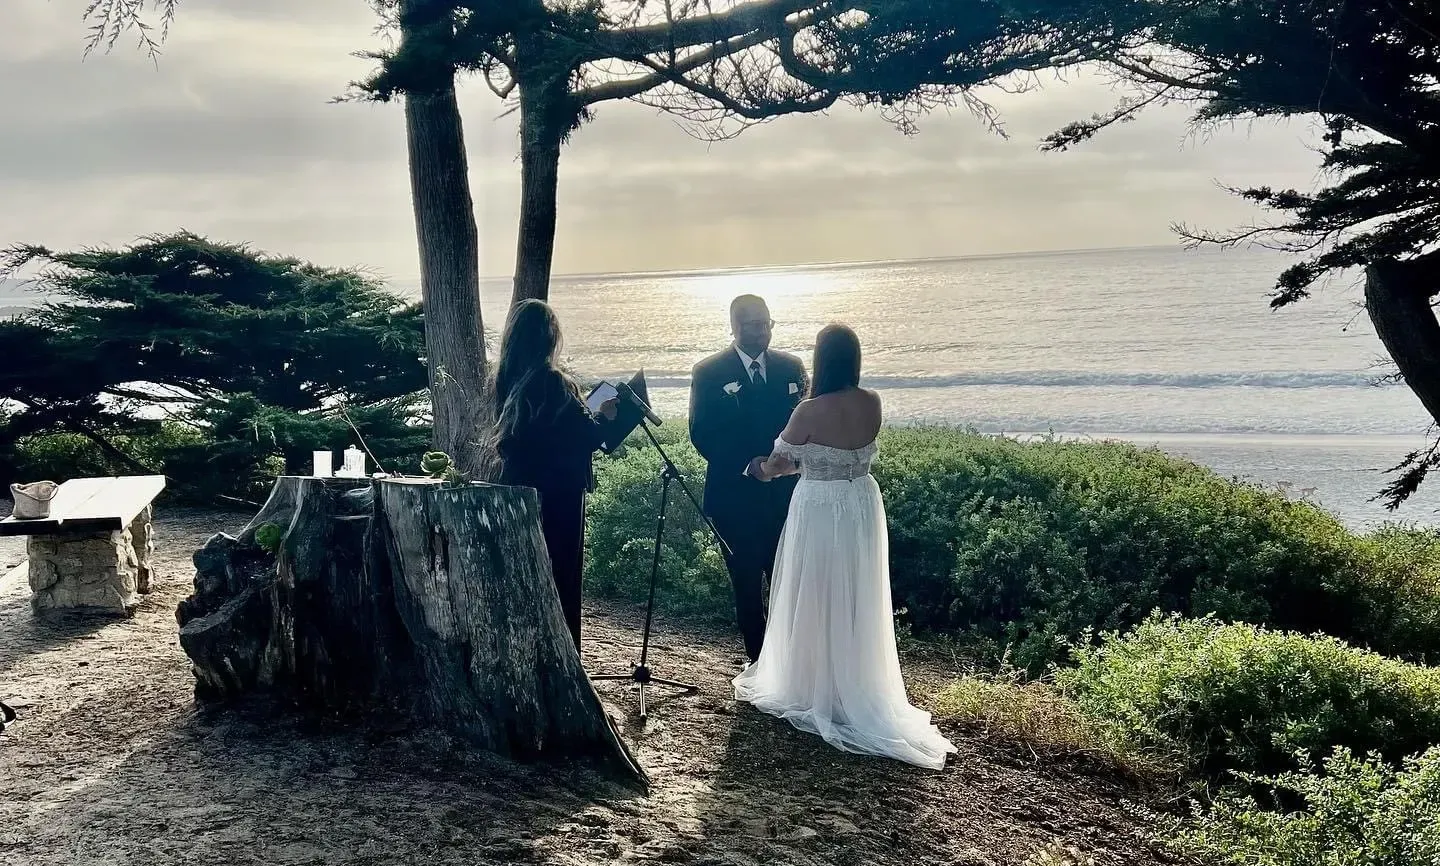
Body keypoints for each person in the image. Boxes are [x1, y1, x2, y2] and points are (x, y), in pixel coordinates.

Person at [733, 324, 957, 770]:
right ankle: (851, 682)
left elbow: (782, 463)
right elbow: (849, 452)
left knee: (815, 587)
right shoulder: (872, 402)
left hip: (820, 507)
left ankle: (812, 685)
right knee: (855, 591)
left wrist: (757, 469)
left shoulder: (809, 410)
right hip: (860, 503)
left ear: (821, 360)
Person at [689, 295, 808, 664]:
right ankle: (758, 663)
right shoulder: (708, 372)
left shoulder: (792, 367)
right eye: (751, 324)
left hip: (785, 495)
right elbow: (701, 432)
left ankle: (789, 662)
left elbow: (805, 421)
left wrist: (793, 460)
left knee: (787, 579)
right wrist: (749, 464)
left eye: (766, 323)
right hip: (733, 496)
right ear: (733, 326)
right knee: (746, 583)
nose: (760, 331)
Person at [494, 299, 617, 650]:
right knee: (563, 572)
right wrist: (604, 417)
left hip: (519, 485)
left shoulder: (505, 378)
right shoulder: (552, 381)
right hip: (561, 492)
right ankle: (566, 651)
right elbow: (582, 438)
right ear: (550, 338)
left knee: (528, 568)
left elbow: (536, 435)